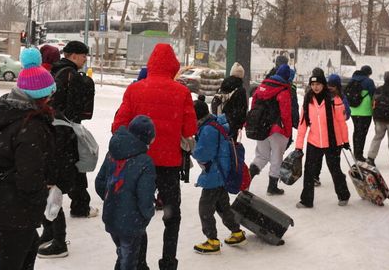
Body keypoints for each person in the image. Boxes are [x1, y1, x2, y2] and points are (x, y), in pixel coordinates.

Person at [112, 43, 197, 270]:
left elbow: (118, 126)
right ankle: (168, 262)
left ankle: (139, 262)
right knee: (172, 215)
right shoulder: (182, 92)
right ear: (173, 66)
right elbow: (189, 129)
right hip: (169, 165)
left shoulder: (135, 89)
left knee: (139, 214)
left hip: (139, 163)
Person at [0, 48, 56, 270]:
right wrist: (44, 192)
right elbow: (28, 178)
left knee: (27, 251)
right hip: (14, 209)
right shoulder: (30, 127)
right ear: (41, 96)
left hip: (3, 202)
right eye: (50, 93)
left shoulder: (9, 113)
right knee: (14, 262)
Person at [38, 41, 97, 259]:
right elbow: (76, 111)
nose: (85, 60)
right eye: (83, 56)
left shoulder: (54, 72)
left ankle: (49, 233)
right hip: (64, 134)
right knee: (57, 184)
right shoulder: (70, 76)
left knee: (51, 184)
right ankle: (58, 239)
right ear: (74, 56)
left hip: (52, 132)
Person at [95, 115, 156, 270]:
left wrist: (112, 198)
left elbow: (100, 182)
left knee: (124, 254)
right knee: (128, 260)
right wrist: (147, 213)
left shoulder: (112, 153)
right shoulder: (145, 162)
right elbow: (145, 197)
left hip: (111, 215)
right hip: (132, 221)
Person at [192, 97, 246, 254]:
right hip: (221, 172)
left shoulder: (208, 130)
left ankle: (212, 241)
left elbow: (204, 153)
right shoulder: (213, 124)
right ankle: (236, 233)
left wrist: (193, 149)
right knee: (222, 206)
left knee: (205, 208)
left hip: (214, 174)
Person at [295, 74, 351, 208]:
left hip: (332, 141)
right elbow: (303, 124)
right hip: (314, 141)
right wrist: (299, 146)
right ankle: (307, 200)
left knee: (335, 169)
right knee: (309, 171)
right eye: (313, 85)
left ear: (323, 85)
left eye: (318, 84)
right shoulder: (308, 100)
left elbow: (341, 122)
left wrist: (345, 140)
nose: (315, 87)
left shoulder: (334, 99)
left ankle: (343, 194)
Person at [248, 64, 292, 196]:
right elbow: (286, 114)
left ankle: (247, 179)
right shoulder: (283, 91)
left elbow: (254, 104)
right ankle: (272, 187)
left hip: (262, 127)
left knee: (261, 155)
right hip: (276, 129)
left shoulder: (262, 86)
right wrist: (288, 132)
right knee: (276, 157)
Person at [313, 73, 350, 186]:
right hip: (329, 135)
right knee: (328, 159)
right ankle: (332, 176)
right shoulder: (338, 97)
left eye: (331, 85)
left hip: (329, 135)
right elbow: (346, 115)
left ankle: (320, 176)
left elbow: (345, 117)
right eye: (329, 85)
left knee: (324, 158)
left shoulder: (328, 96)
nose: (330, 87)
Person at [212, 62, 248, 138]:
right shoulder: (240, 90)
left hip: (219, 122)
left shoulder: (222, 86)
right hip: (231, 124)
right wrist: (239, 125)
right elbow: (242, 109)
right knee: (230, 146)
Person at [348, 65, 376, 161]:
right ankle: (359, 155)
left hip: (353, 110)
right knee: (362, 133)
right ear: (368, 73)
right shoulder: (369, 81)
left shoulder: (352, 80)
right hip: (365, 111)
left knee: (356, 131)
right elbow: (373, 94)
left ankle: (356, 152)